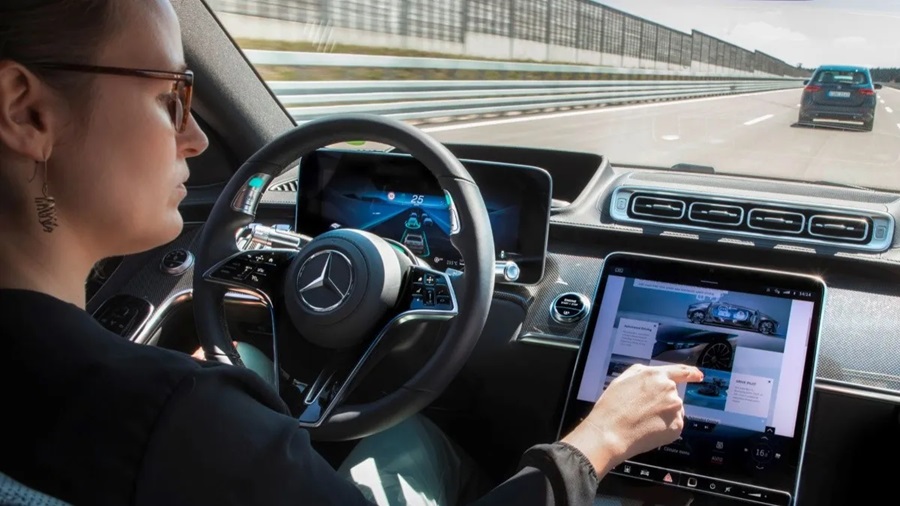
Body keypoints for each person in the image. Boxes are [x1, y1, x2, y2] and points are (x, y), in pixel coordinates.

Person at [0, 1, 704, 505]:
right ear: (25, 111)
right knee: (412, 441)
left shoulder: (162, 415)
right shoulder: (185, 422)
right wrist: (598, 442)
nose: (198, 139)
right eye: (171, 98)